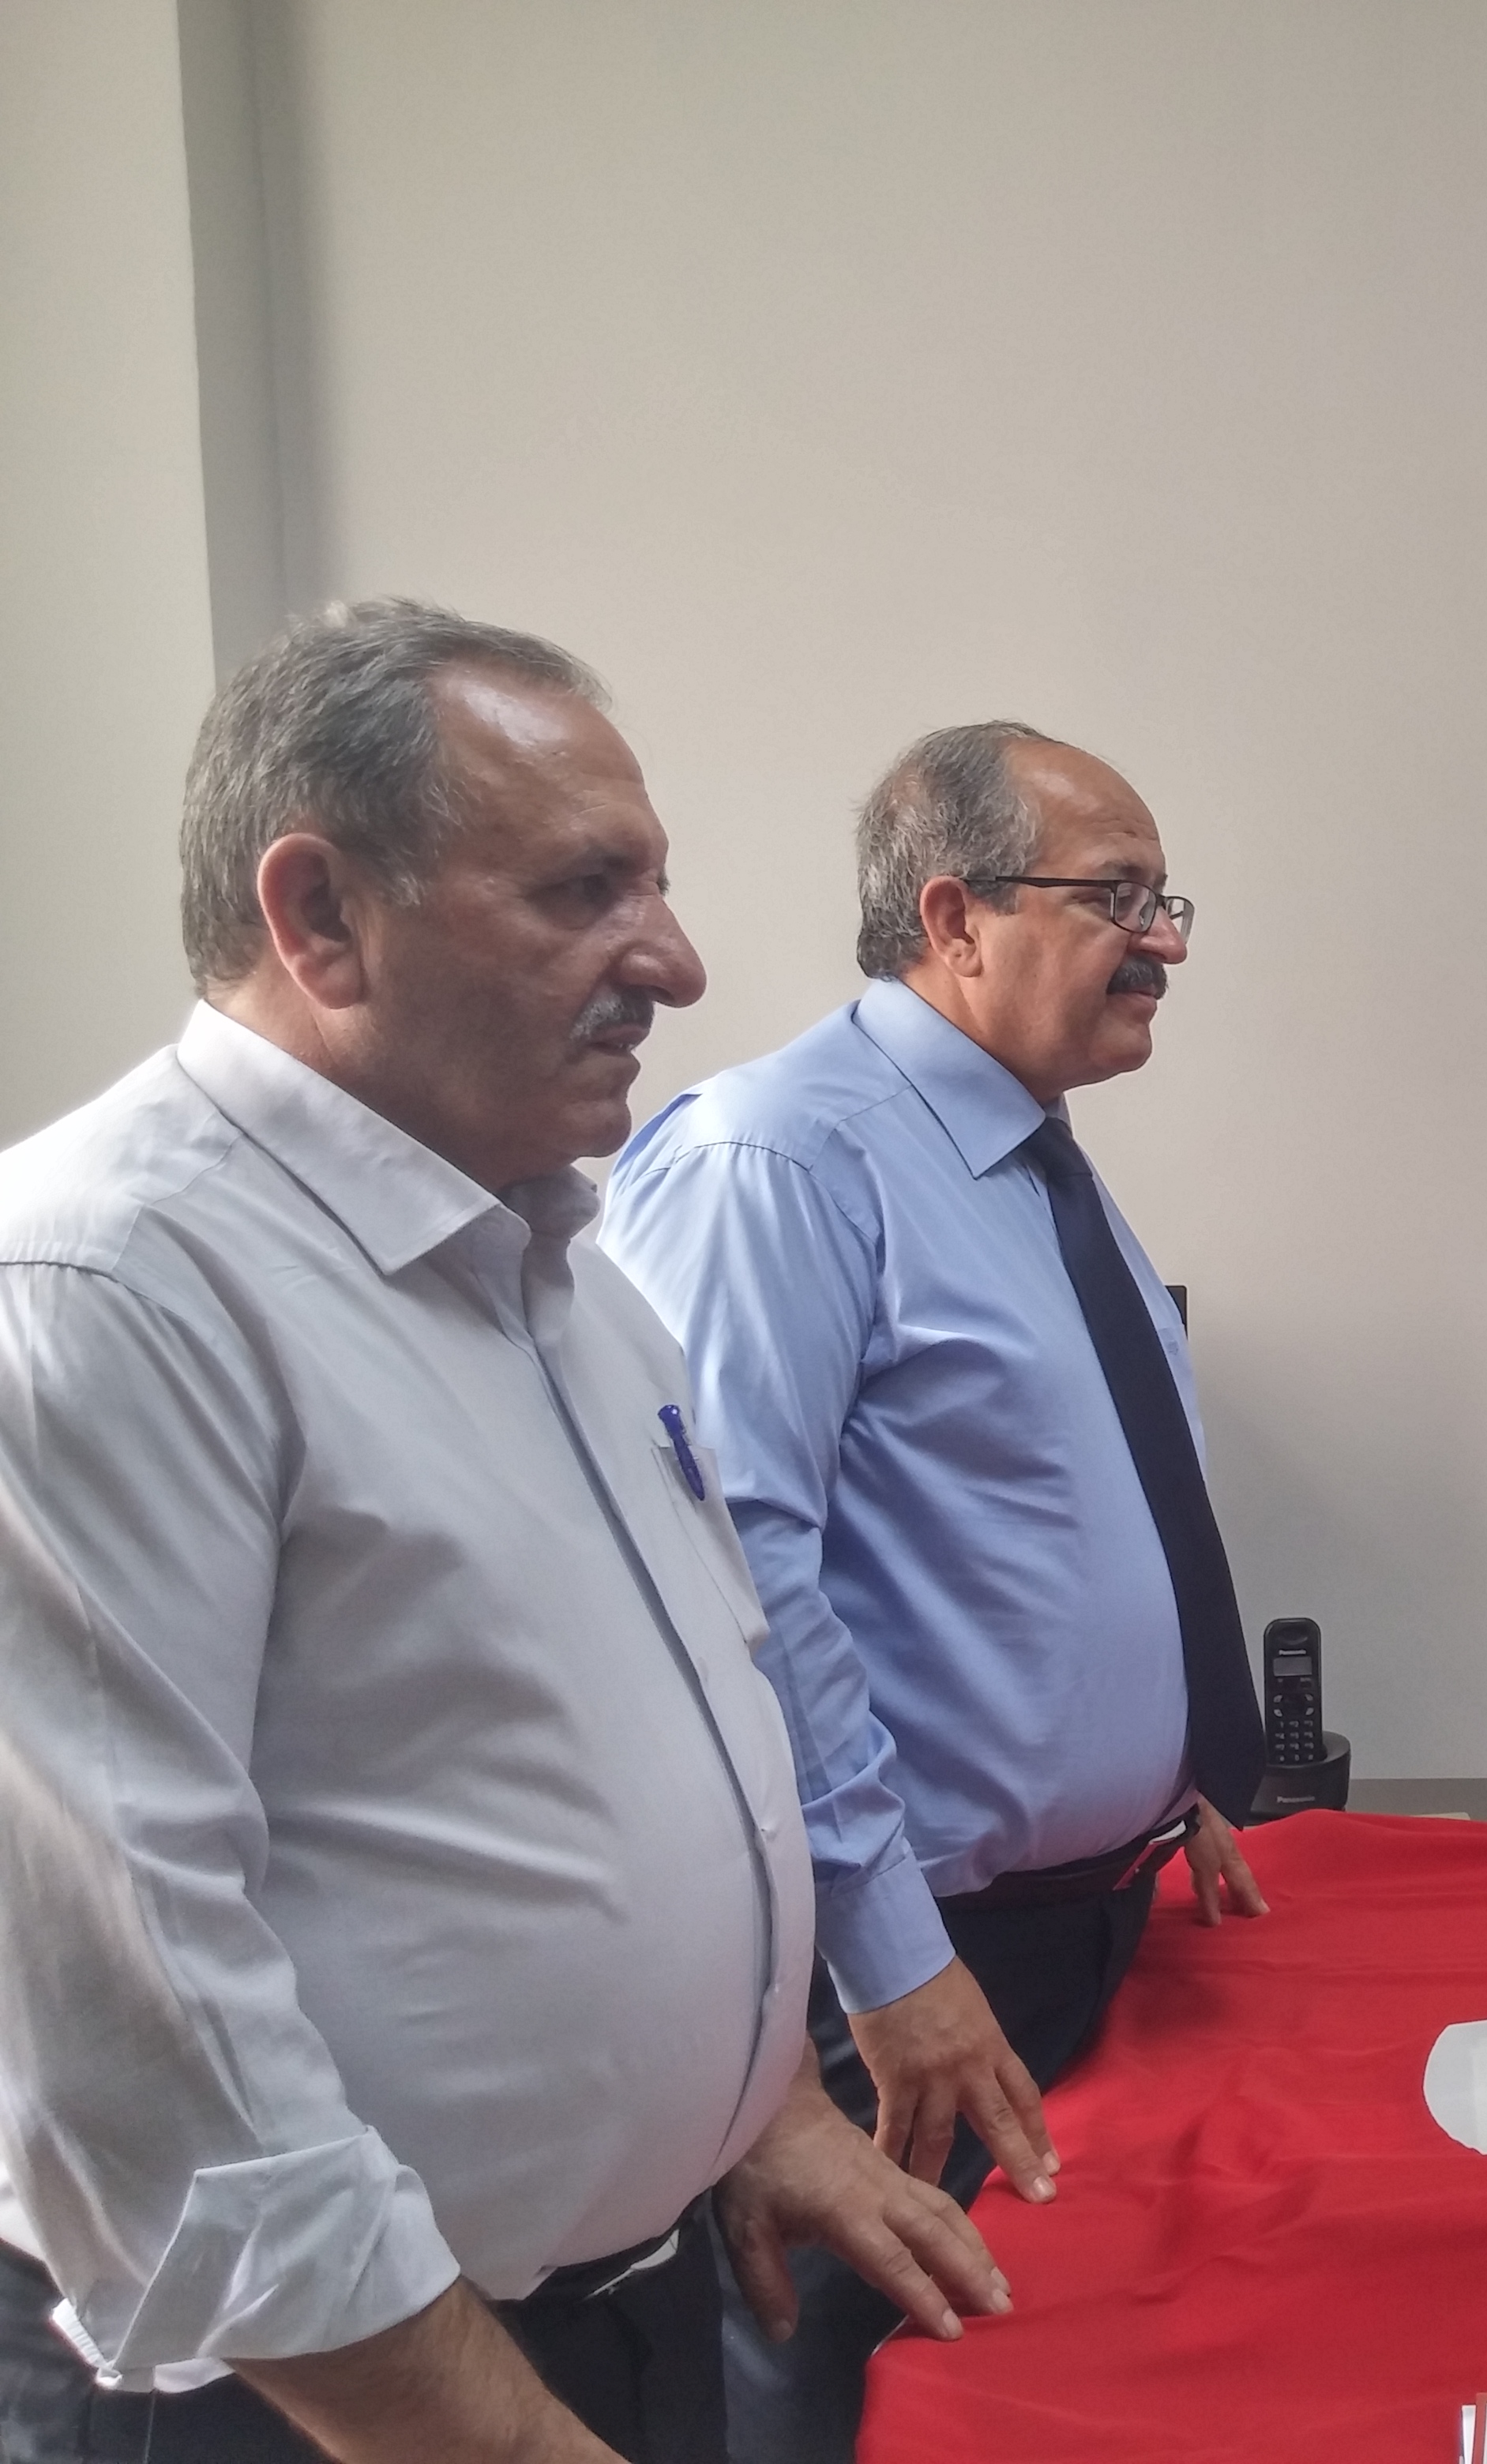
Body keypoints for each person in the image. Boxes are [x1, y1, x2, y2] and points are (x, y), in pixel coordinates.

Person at [0, 602, 1007, 2464]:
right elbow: (142, 2038)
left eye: (657, 885)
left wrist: (761, 2107)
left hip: (622, 2296)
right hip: (322, 2392)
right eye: (582, 891)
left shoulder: (559, 1269)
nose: (677, 961)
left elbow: (656, 1737)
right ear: (319, 917)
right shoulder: (109, 1288)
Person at [603, 720, 1271, 2461]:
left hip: (1082, 1924)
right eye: (1117, 897)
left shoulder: (1024, 1153)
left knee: (1029, 2393)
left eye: (1168, 899)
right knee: (852, 2393)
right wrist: (892, 1965)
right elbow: (734, 1581)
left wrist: (1173, 1761)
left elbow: (1045, 1522)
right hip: (898, 1978)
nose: (1166, 941)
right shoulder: (779, 1161)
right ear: (955, 915)